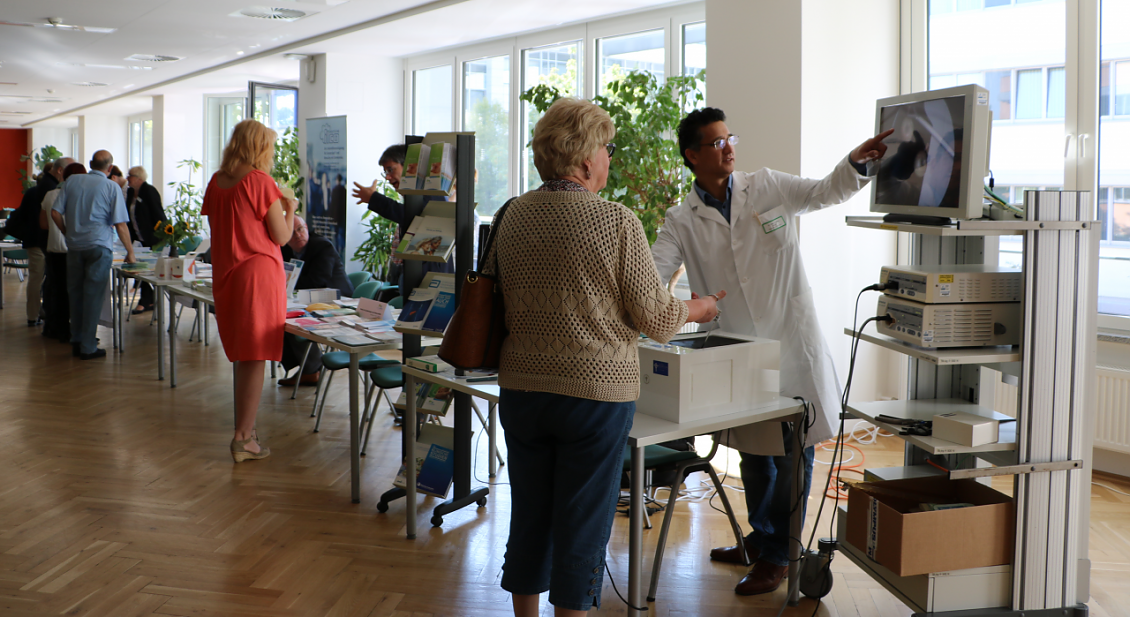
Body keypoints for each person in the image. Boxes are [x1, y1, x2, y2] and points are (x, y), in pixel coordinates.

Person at [482, 97, 725, 617]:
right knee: (582, 525)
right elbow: (657, 320)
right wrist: (699, 308)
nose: (610, 159)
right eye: (607, 148)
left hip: (522, 388)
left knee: (530, 515)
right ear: (586, 158)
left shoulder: (511, 214)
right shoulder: (615, 221)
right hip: (592, 397)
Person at [650, 107, 892, 596]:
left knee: (792, 452)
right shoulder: (681, 220)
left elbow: (825, 191)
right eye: (716, 143)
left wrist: (856, 163)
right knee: (753, 454)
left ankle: (780, 553)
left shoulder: (768, 186)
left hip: (791, 343)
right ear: (692, 156)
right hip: (739, 351)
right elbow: (654, 274)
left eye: (729, 138)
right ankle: (761, 540)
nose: (728, 148)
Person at [201, 119, 297, 463]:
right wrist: (291, 207)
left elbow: (219, 228)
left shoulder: (217, 181)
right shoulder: (260, 181)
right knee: (256, 355)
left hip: (228, 274)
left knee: (244, 354)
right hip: (258, 274)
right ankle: (243, 438)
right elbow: (282, 237)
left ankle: (248, 430)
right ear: (259, 146)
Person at [51, 150, 136, 359]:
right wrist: (130, 253)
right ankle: (88, 346)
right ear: (109, 168)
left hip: (75, 246)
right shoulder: (111, 187)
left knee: (76, 294)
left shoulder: (72, 182)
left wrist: (66, 232)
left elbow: (54, 212)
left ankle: (77, 339)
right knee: (92, 297)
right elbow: (120, 224)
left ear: (90, 164)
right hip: (98, 246)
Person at [278, 216, 353, 386]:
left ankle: (311, 369)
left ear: (306, 227)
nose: (298, 235)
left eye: (301, 229)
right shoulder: (284, 250)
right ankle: (307, 367)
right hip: (305, 298)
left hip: (336, 299)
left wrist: (287, 283)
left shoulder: (322, 246)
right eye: (291, 231)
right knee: (277, 318)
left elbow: (317, 282)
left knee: (290, 321)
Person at [10, 157, 63, 326]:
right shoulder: (52, 191)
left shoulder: (33, 191)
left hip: (33, 239)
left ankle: (35, 314)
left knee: (36, 278)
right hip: (41, 240)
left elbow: (22, 216)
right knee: (38, 278)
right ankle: (33, 315)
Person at [39, 162, 84, 343]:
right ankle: (75, 331)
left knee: (56, 290)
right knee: (74, 291)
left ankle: (56, 327)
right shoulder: (79, 195)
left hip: (53, 248)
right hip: (73, 249)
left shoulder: (50, 195)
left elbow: (43, 224)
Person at [124, 166, 168, 313]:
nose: (127, 178)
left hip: (152, 238)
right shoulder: (130, 192)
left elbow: (159, 215)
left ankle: (146, 300)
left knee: (146, 271)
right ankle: (148, 299)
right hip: (137, 239)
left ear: (139, 178)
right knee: (138, 270)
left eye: (130, 176)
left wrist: (161, 237)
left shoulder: (149, 191)